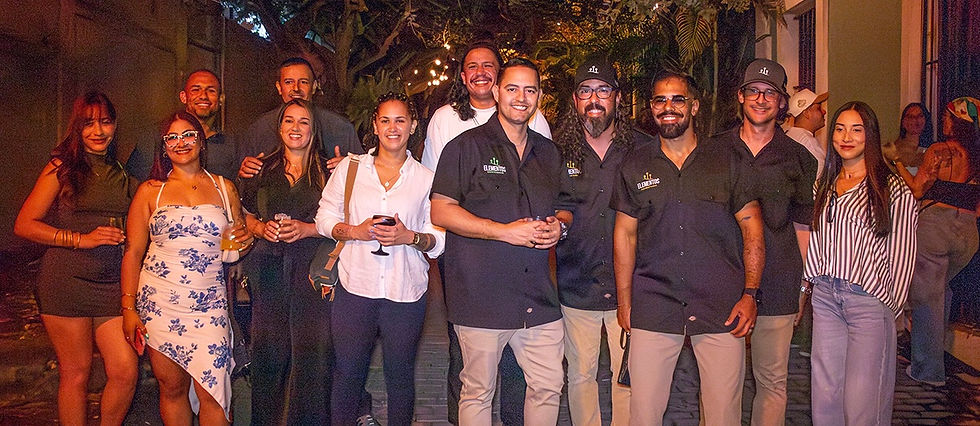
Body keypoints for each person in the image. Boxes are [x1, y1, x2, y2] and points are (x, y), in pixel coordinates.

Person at [612, 71, 763, 426]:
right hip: (654, 303)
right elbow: (624, 235)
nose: (669, 107)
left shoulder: (727, 160)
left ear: (694, 106)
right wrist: (624, 301)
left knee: (723, 415)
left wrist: (750, 293)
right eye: (660, 100)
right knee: (643, 414)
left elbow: (752, 228)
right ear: (651, 108)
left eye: (678, 99)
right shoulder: (635, 163)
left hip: (721, 307)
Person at [421, 39, 551, 425]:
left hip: (529, 274)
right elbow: (436, 193)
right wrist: (436, 245)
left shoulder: (540, 134)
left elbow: (552, 197)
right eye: (472, 66)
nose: (520, 98)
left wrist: (555, 226)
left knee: (530, 373)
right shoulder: (450, 127)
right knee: (470, 369)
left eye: (488, 65)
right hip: (469, 262)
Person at [315, 92, 446, 426]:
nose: (392, 128)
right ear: (374, 125)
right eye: (385, 120)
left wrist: (409, 237)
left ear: (413, 126)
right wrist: (354, 231)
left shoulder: (427, 179)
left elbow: (439, 239)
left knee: (400, 377)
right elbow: (323, 217)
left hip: (405, 293)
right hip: (355, 289)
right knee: (348, 374)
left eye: (400, 120)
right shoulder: (350, 169)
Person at [14, 91, 138, 426]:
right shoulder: (62, 167)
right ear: (77, 128)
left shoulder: (122, 173)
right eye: (89, 123)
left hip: (111, 284)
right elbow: (24, 224)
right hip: (66, 283)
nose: (98, 131)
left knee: (125, 370)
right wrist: (81, 240)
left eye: (105, 122)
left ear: (115, 125)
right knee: (76, 373)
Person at [121, 111, 253, 425]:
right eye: (172, 137)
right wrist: (128, 308)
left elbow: (237, 242)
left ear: (201, 141)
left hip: (209, 305)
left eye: (188, 135)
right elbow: (133, 252)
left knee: (215, 393)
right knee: (172, 388)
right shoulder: (150, 191)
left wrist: (246, 241)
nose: (181, 143)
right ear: (164, 147)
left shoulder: (224, 188)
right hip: (159, 304)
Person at [713, 59, 817, 426]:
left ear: (782, 102)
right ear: (740, 96)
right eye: (754, 91)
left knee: (772, 381)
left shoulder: (799, 158)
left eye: (770, 93)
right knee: (720, 384)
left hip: (778, 278)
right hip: (722, 280)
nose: (761, 99)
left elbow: (803, 226)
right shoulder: (714, 150)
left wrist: (802, 287)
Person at [804, 101, 917, 425]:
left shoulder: (891, 189)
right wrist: (808, 286)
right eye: (840, 129)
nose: (846, 137)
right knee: (825, 397)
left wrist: (889, 305)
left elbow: (903, 255)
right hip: (826, 298)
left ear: (871, 135)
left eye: (857, 129)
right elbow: (817, 242)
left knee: (862, 402)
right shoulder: (824, 185)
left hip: (868, 301)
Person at [552, 58, 649, 426]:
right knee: (580, 376)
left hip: (634, 287)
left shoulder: (643, 149)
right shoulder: (555, 152)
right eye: (586, 91)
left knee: (630, 379)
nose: (594, 99)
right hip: (576, 286)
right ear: (575, 99)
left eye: (603, 90)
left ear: (618, 97)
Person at [238, 99, 333, 424]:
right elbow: (243, 212)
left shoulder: (329, 171)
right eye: (289, 120)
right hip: (269, 268)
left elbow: (341, 221)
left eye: (303, 121)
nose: (296, 127)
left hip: (311, 271)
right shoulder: (261, 169)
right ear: (279, 128)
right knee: (269, 353)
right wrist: (260, 228)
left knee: (312, 355)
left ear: (313, 129)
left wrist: (308, 229)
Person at [897, 97, 980, 387]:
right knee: (940, 293)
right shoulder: (976, 156)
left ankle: (928, 370)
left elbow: (918, 189)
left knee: (927, 300)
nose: (943, 121)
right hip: (967, 232)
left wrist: (897, 163)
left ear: (957, 121)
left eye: (947, 116)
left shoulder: (939, 151)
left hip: (935, 227)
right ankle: (933, 357)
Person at [238, 57, 363, 178]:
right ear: (279, 87)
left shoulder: (340, 127)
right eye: (289, 82)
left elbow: (365, 176)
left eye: (303, 82)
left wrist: (351, 168)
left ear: (314, 86)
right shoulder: (259, 128)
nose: (296, 88)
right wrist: (245, 170)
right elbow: (239, 176)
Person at [127, 69, 238, 180]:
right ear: (183, 97)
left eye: (211, 91)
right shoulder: (156, 136)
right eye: (195, 90)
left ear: (221, 99)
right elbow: (134, 182)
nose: (203, 96)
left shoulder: (231, 144)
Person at [785, 88, 829, 175]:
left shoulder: (788, 135)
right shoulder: (808, 143)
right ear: (806, 113)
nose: (824, 112)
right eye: (818, 108)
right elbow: (819, 176)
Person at [883, 102, 933, 175]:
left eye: (920, 116)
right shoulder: (890, 150)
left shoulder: (933, 149)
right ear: (903, 122)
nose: (915, 119)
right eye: (910, 116)